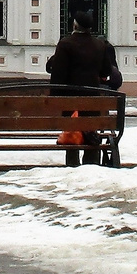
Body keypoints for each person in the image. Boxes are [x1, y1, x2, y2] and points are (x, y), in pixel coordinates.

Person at [46, 13, 113, 167]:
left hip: (70, 100)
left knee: (72, 133)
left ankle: (72, 165)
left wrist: (56, 98)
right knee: (90, 131)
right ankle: (91, 164)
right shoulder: (99, 45)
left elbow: (58, 74)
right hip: (92, 100)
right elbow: (106, 71)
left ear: (74, 26)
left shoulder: (65, 44)